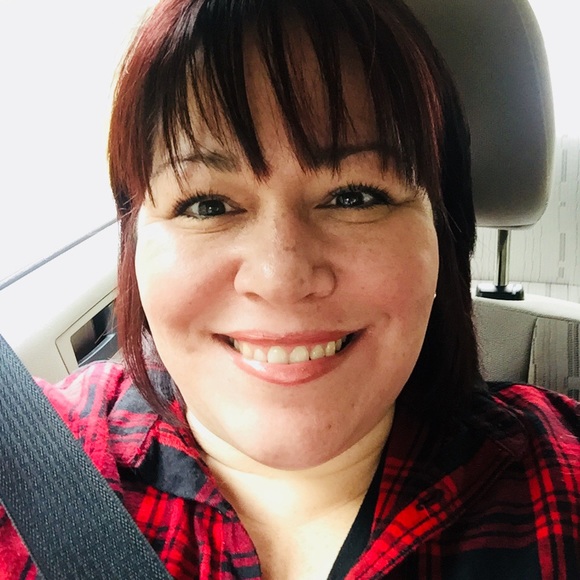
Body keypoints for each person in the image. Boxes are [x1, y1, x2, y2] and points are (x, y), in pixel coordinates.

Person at [1, 0, 579, 578]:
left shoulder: (562, 486)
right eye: (208, 205)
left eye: (354, 197)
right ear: (133, 245)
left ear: (441, 237)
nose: (281, 278)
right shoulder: (29, 465)